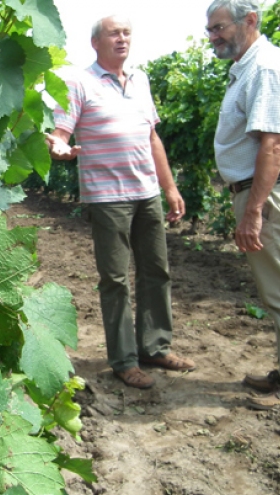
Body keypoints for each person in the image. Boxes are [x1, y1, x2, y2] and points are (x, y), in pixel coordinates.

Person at [46, 15, 195, 389]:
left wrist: (170, 187)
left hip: (147, 193)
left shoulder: (140, 80)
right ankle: (124, 360)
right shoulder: (78, 80)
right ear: (96, 43)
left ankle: (155, 347)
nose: (122, 39)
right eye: (114, 33)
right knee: (115, 279)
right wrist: (60, 148)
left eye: (127, 33)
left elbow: (152, 138)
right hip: (107, 197)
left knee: (156, 271)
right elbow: (60, 132)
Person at [206, 0, 280, 409]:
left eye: (219, 28)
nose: (213, 37)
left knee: (279, 294)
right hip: (260, 192)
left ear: (249, 21)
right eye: (210, 31)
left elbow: (273, 145)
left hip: (265, 194)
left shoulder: (265, 68)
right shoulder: (248, 68)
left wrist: (254, 209)